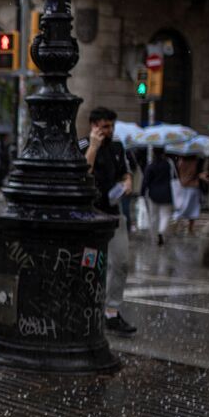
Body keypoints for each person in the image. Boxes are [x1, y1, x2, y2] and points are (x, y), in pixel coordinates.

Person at [79, 107, 135, 336]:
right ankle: (86, 308)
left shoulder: (117, 147)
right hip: (90, 217)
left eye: (111, 126)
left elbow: (125, 171)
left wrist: (128, 182)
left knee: (121, 263)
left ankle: (111, 312)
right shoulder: (83, 145)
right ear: (93, 126)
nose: (108, 131)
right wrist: (93, 145)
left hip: (113, 214)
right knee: (90, 265)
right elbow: (83, 173)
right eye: (103, 127)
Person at [141, 147, 175, 246]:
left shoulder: (151, 166)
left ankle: (154, 236)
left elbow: (145, 181)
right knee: (166, 215)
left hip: (153, 194)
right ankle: (161, 232)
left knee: (153, 216)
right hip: (167, 193)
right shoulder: (168, 165)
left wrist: (142, 193)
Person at [173, 154, 205, 235]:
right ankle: (190, 229)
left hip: (182, 186)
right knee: (193, 209)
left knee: (181, 206)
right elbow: (196, 173)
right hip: (193, 186)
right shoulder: (196, 162)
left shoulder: (180, 162)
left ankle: (176, 224)